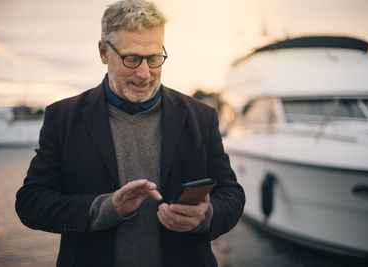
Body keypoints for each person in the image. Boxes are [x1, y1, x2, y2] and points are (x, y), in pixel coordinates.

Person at [15, 0, 245, 266]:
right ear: (103, 52)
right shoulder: (63, 117)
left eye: (155, 58)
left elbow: (231, 193)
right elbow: (31, 203)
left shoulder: (201, 116)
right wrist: (104, 208)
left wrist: (207, 217)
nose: (145, 73)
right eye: (131, 59)